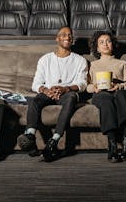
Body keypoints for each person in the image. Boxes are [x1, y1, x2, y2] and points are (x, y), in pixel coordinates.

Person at [17, 26, 88, 162]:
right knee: (34, 100)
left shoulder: (80, 60)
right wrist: (46, 90)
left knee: (72, 97)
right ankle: (30, 136)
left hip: (67, 93)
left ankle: (54, 141)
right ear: (57, 39)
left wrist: (65, 89)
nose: (67, 37)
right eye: (63, 35)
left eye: (70, 35)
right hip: (48, 92)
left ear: (72, 40)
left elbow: (82, 84)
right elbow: (36, 84)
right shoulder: (45, 59)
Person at [87, 31, 126, 163]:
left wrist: (118, 86)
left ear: (113, 45)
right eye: (101, 42)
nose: (105, 44)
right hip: (101, 93)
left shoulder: (122, 63)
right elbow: (87, 85)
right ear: (97, 48)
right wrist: (95, 88)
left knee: (121, 95)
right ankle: (113, 145)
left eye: (108, 41)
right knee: (105, 98)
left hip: (118, 91)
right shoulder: (92, 65)